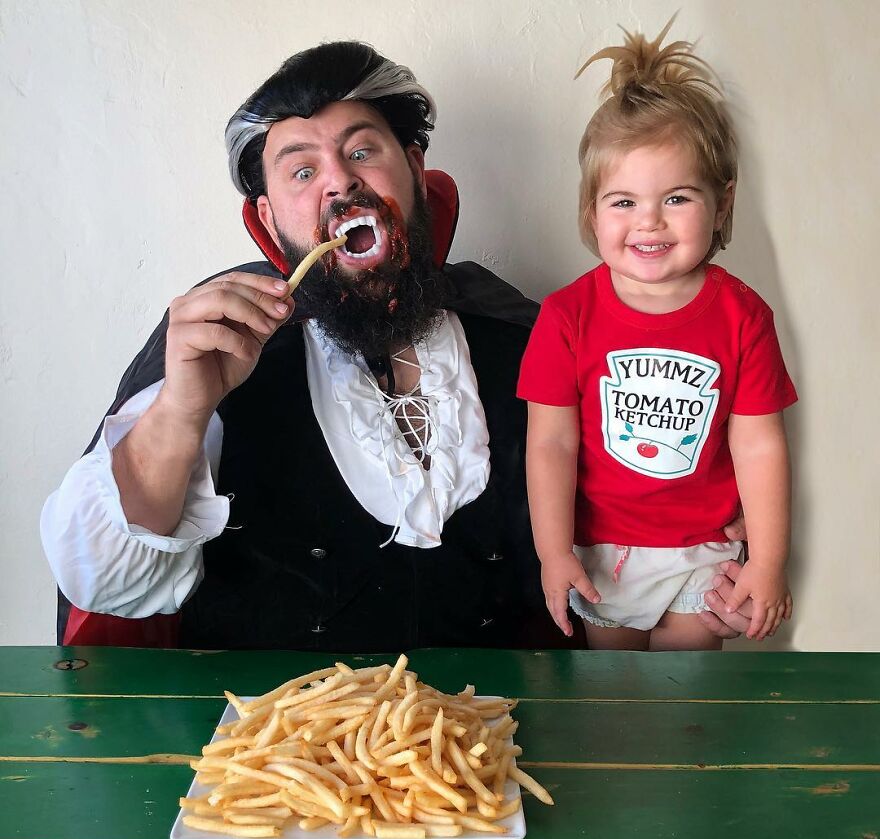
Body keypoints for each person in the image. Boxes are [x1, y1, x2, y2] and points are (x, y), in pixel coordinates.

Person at [41, 40, 758, 652]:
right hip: (275, 757)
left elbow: (647, 466)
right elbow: (103, 587)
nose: (340, 181)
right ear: (266, 216)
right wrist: (181, 410)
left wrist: (716, 535)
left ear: (416, 173)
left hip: (503, 753)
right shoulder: (215, 346)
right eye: (301, 170)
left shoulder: (528, 336)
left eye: (362, 151)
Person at [517, 22, 797, 651]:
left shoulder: (744, 316)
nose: (649, 221)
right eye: (623, 202)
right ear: (591, 212)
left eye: (676, 198)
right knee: (612, 694)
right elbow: (551, 444)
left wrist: (768, 560)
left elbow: (760, 447)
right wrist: (553, 552)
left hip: (703, 552)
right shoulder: (566, 316)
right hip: (600, 550)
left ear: (722, 205)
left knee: (685, 694)